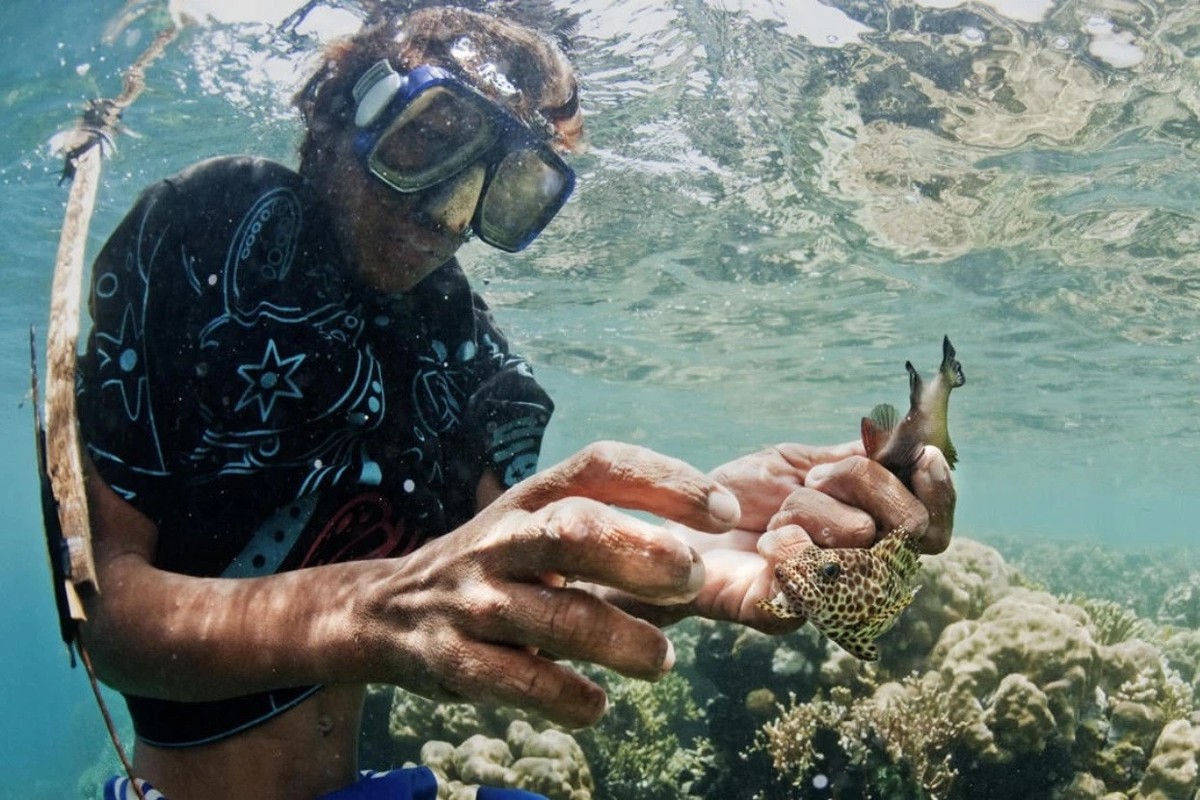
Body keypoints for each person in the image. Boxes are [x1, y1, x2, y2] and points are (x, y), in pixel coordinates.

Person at [75, 5, 956, 800]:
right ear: (350, 102)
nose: (449, 216)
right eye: (433, 139)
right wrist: (366, 613)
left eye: (506, 185)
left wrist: (698, 542)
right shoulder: (211, 237)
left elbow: (516, 579)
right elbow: (107, 612)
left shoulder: (460, 343)